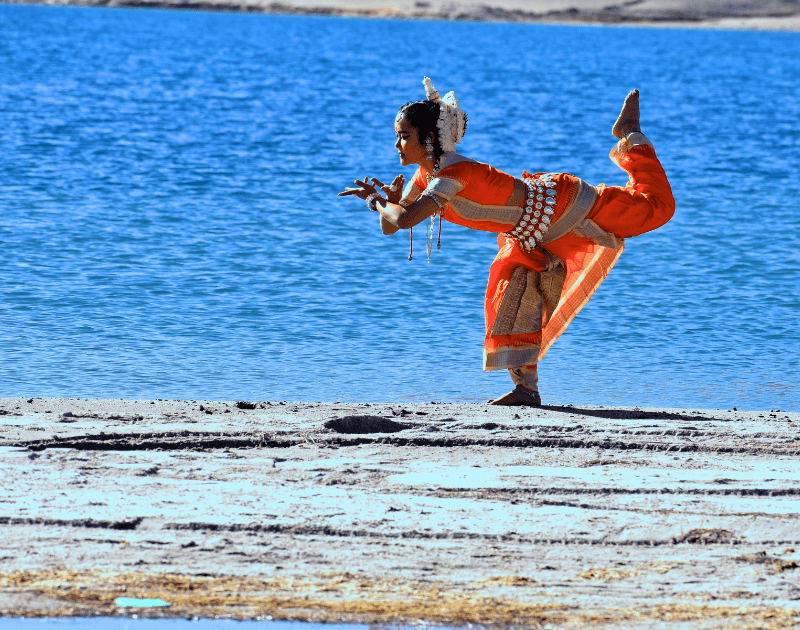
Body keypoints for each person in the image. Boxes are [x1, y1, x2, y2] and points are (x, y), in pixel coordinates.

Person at [339, 77, 675, 406]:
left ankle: (630, 133)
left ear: (428, 139)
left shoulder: (454, 176)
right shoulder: (425, 176)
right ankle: (526, 390)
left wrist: (378, 202)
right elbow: (391, 227)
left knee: (656, 209)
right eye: (397, 137)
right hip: (530, 234)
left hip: (562, 204)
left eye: (403, 137)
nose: (397, 145)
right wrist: (394, 199)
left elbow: (405, 219)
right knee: (511, 298)